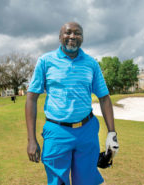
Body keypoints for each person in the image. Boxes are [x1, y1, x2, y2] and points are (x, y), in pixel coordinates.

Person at [25, 22, 119, 185]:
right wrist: (31, 140)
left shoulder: (91, 63)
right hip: (56, 132)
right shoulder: (45, 61)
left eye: (78, 33)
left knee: (87, 181)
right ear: (60, 36)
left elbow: (104, 98)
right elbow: (31, 99)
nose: (72, 36)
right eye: (68, 33)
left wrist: (112, 133)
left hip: (87, 130)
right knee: (57, 182)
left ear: (82, 38)